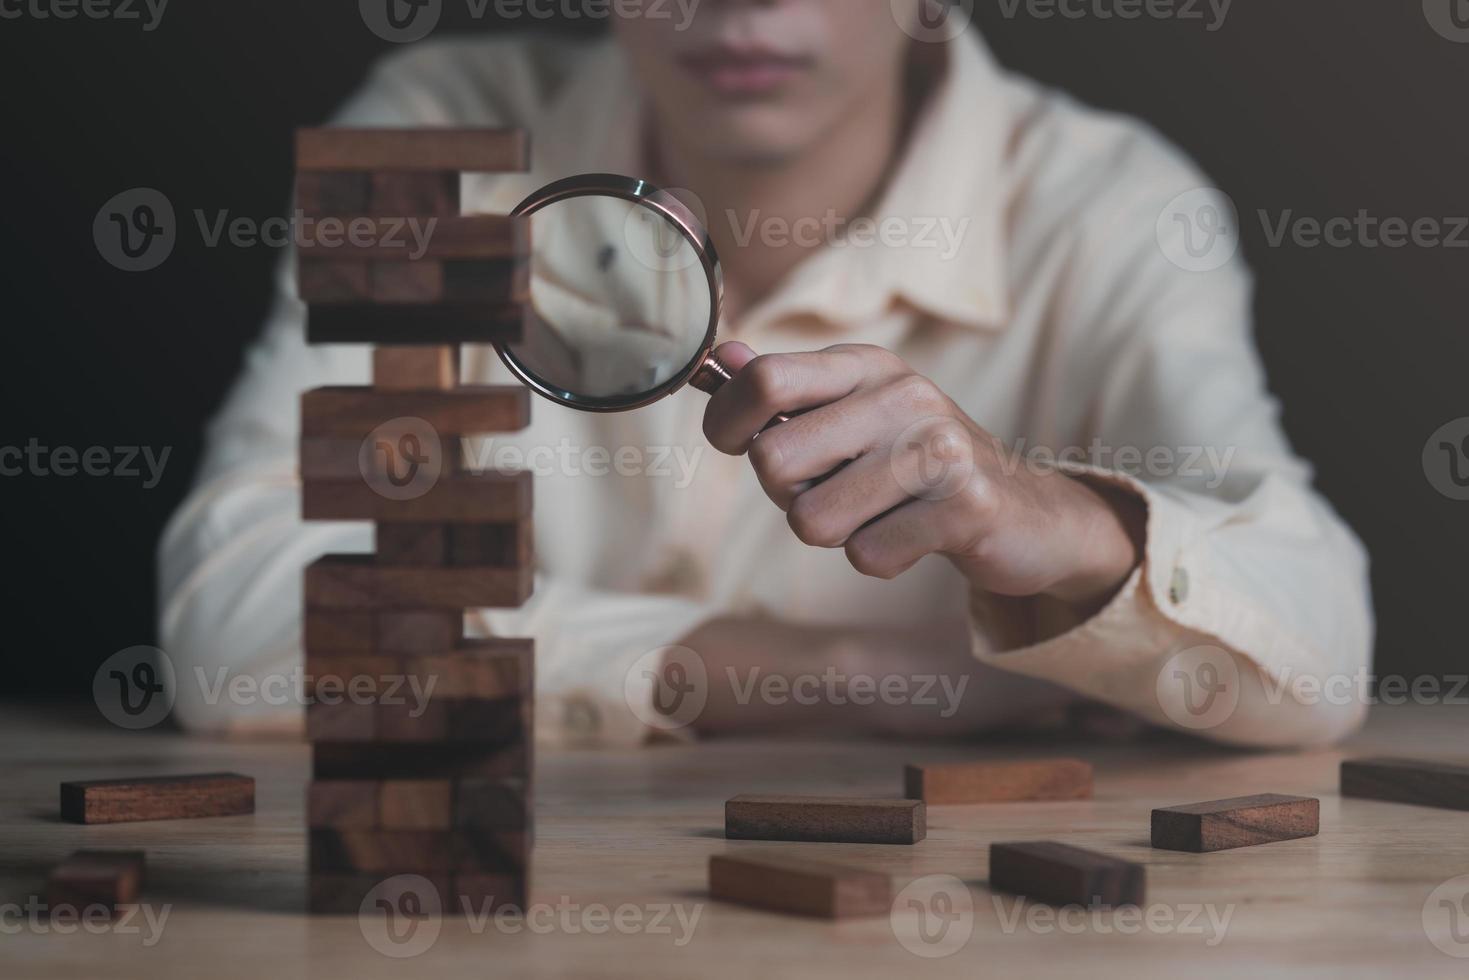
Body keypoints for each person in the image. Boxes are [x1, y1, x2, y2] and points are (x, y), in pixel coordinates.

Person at [158, 0, 1372, 745]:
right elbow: (240, 618)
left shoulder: (1112, 207)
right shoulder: (433, 136)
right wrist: (852, 677)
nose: (741, 3)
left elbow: (1321, 656)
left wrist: (1054, 523)